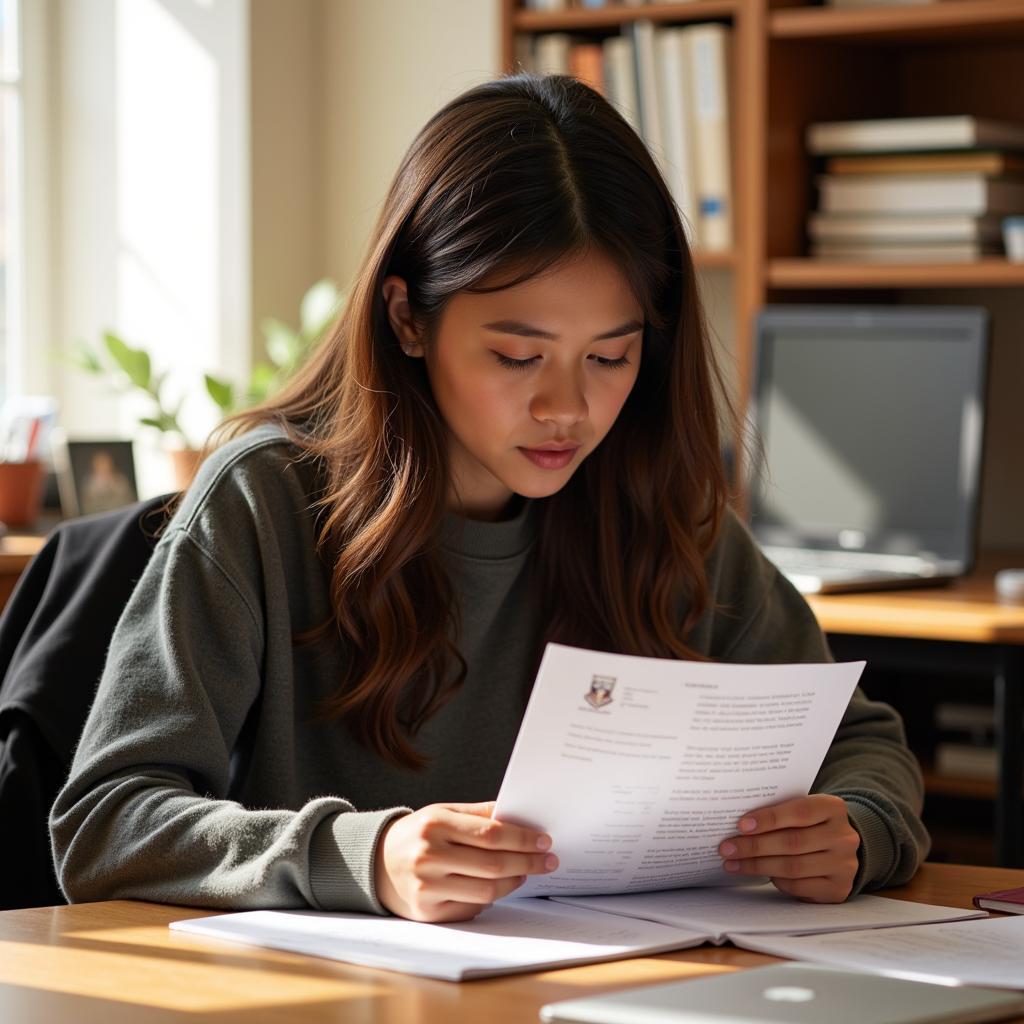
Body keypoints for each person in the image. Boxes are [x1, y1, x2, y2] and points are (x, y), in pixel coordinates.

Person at [50, 75, 928, 923]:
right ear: (407, 318)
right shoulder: (265, 505)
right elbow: (105, 822)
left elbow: (862, 744)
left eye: (611, 356)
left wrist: (857, 826)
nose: (568, 409)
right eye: (517, 356)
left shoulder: (656, 508)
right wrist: (369, 856)